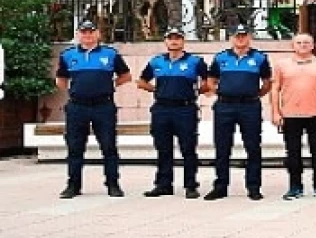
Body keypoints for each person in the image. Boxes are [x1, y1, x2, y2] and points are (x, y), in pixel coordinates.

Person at [56, 20, 132, 199]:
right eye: (84, 32)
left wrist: (108, 86)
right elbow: (61, 80)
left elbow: (126, 76)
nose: (87, 35)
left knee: (108, 146)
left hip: (103, 106)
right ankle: (73, 186)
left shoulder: (110, 54)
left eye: (91, 32)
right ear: (78, 34)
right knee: (75, 147)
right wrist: (75, 92)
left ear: (97, 34)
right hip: (77, 107)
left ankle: (113, 184)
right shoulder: (68, 55)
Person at [136, 27, 206, 199]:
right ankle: (163, 184)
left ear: (183, 41)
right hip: (162, 109)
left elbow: (208, 82)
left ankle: (190, 185)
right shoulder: (156, 62)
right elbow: (141, 81)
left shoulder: (195, 61)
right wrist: (158, 90)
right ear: (165, 41)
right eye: (170, 38)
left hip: (185, 109)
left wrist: (196, 92)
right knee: (163, 148)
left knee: (188, 148)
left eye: (177, 38)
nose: (174, 41)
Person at [205, 25, 272, 201]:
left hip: (249, 106)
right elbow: (211, 80)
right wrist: (218, 92)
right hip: (224, 106)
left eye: (243, 35)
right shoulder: (221, 57)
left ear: (249, 37)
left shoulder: (260, 57)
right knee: (222, 147)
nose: (240, 39)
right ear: (231, 38)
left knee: (253, 147)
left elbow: (266, 83)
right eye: (237, 36)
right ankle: (220, 186)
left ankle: (253, 187)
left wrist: (254, 95)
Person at [272, 33, 316, 200]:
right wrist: (275, 111)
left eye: (306, 42)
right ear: (293, 46)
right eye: (299, 42)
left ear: (313, 45)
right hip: (290, 114)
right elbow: (275, 89)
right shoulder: (281, 65)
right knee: (292, 152)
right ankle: (295, 186)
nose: (303, 45)